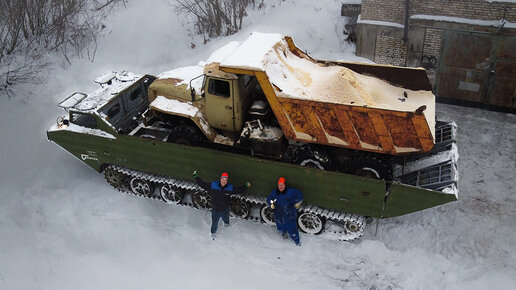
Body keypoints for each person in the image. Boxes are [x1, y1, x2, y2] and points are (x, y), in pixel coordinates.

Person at [193, 170, 250, 240]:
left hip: (225, 209)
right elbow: (203, 184)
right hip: (215, 210)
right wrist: (196, 177)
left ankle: (226, 223)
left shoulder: (230, 188)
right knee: (214, 223)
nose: (224, 181)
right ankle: (213, 233)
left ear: (227, 181)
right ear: (220, 179)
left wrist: (246, 186)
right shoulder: (213, 185)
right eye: (223, 179)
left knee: (226, 218)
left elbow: (238, 190)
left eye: (225, 180)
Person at [267, 177, 303, 246]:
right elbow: (269, 199)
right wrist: (271, 204)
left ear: (285, 185)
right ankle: (284, 234)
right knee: (281, 225)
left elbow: (299, 194)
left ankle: (297, 241)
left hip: (289, 214)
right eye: (279, 185)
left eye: (282, 185)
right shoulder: (274, 192)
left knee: (292, 228)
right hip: (279, 213)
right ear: (278, 185)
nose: (281, 187)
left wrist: (298, 202)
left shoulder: (291, 191)